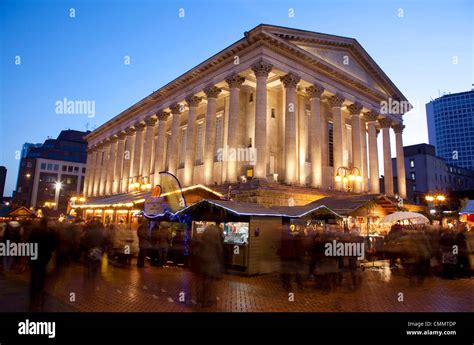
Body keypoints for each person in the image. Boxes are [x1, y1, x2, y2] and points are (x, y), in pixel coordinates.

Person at [28, 217, 57, 311]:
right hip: (44, 256)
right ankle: (40, 289)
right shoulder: (49, 232)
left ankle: (33, 290)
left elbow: (29, 243)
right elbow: (53, 245)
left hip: (34, 254)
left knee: (33, 273)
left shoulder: (34, 231)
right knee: (41, 273)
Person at [194, 224, 224, 308]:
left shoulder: (203, 236)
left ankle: (199, 300)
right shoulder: (216, 238)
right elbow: (219, 251)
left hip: (201, 262)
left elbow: (197, 249)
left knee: (201, 282)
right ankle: (207, 301)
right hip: (211, 263)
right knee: (209, 283)